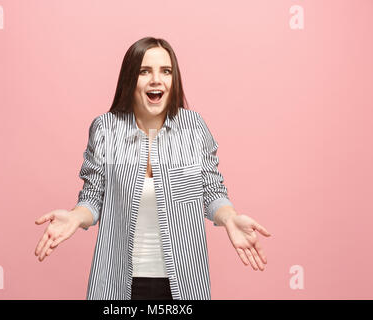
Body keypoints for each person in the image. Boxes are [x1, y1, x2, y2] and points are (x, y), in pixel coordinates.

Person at [34, 37, 272, 300]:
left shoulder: (192, 127)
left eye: (166, 71)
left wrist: (230, 219)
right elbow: (93, 198)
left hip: (183, 281)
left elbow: (211, 191)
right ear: (129, 78)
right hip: (117, 281)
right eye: (144, 71)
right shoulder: (106, 128)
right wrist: (75, 217)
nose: (156, 80)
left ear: (174, 79)